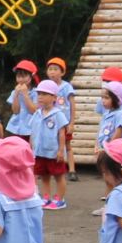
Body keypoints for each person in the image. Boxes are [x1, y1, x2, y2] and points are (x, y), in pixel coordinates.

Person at [31, 81, 72, 209]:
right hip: (39, 151)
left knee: (58, 175)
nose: (40, 97)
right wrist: (30, 147)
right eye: (39, 94)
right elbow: (33, 131)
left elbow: (61, 133)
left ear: (54, 97)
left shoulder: (58, 114)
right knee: (44, 176)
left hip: (53, 152)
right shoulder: (37, 113)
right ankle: (46, 197)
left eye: (44, 94)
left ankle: (60, 198)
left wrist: (61, 150)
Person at [47, 58, 79, 181]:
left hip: (64, 123)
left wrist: (71, 122)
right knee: (52, 144)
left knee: (67, 145)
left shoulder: (67, 87)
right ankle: (51, 169)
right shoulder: (46, 86)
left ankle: (72, 170)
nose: (52, 72)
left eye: (56, 69)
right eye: (50, 69)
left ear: (63, 72)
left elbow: (72, 104)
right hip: (51, 123)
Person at [6, 60, 39, 143]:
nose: (21, 79)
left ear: (32, 76)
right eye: (18, 77)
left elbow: (33, 110)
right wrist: (16, 94)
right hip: (17, 127)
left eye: (24, 77)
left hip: (30, 127)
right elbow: (15, 111)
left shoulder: (36, 92)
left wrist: (25, 94)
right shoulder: (14, 92)